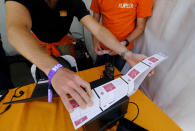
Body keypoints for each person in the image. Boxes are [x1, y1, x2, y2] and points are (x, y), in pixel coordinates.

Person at [5, 0, 148, 113]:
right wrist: (55, 70)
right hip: (35, 45)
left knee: (70, 79)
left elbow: (97, 28)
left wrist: (126, 53)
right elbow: (15, 29)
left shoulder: (74, 2)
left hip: (63, 41)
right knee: (44, 84)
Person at [90, 0, 153, 71]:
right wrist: (95, 40)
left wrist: (123, 44)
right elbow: (94, 20)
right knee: (99, 77)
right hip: (103, 47)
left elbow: (140, 28)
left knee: (118, 78)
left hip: (124, 49)